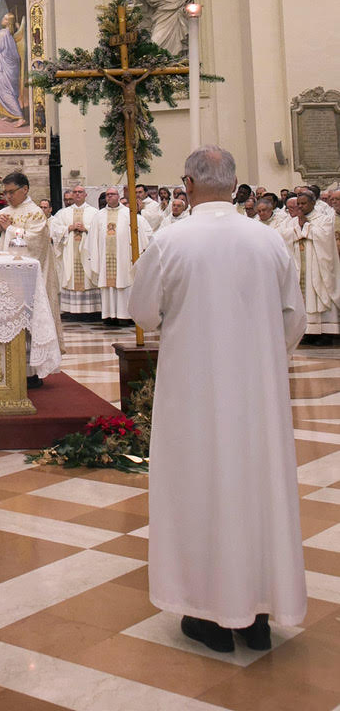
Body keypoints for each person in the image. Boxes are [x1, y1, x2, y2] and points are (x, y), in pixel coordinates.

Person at [129, 145, 307, 654]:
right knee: (258, 487)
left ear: (187, 184)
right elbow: (294, 319)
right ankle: (258, 615)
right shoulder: (267, 240)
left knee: (199, 486)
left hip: (194, 392)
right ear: (233, 185)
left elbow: (143, 312)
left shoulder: (170, 240)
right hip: (257, 395)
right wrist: (261, 357)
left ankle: (208, 614)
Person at [0, 171, 63, 371]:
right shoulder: (2, 213)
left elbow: (36, 243)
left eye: (11, 192)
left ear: (25, 189)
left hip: (28, 283)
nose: (8, 196)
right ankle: (8, 369)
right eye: (5, 193)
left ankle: (31, 371)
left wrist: (9, 229)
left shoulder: (35, 213)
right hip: (3, 279)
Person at [80, 185, 151, 324]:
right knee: (108, 287)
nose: (109, 197)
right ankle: (109, 316)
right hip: (105, 258)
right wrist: (94, 255)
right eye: (107, 195)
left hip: (124, 257)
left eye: (112, 194)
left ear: (118, 196)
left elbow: (138, 234)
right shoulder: (99, 216)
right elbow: (93, 238)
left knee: (124, 284)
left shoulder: (128, 214)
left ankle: (125, 316)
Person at [278, 187, 340, 344]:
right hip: (299, 265)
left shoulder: (324, 219)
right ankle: (308, 331)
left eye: (303, 203)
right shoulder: (292, 221)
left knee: (318, 292)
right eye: (298, 204)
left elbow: (325, 237)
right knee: (302, 296)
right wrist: (298, 229)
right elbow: (281, 235)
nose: (300, 207)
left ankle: (326, 333)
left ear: (313, 203)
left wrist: (306, 227)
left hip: (317, 266)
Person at [50, 184, 100, 318]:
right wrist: (69, 228)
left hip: (87, 251)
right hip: (69, 251)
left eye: (80, 192)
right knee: (70, 274)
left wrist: (86, 228)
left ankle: (91, 311)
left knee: (88, 276)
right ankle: (71, 311)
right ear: (72, 195)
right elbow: (55, 230)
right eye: (75, 192)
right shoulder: (63, 213)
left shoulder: (94, 212)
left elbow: (99, 230)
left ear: (85, 195)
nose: (77, 194)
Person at [0, 13, 27, 127]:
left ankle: (20, 117)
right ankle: (10, 114)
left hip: (3, 68)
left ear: (8, 22)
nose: (3, 19)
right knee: (8, 91)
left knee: (4, 91)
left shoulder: (2, 34)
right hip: (9, 68)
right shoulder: (9, 34)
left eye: (5, 18)